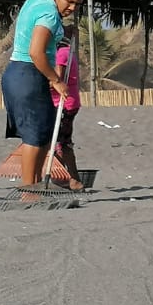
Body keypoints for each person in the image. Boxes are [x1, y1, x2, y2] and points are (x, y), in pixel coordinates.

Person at [0, 0, 86, 189]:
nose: (72, 8)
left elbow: (37, 30)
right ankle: (29, 189)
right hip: (27, 75)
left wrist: (63, 30)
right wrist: (56, 80)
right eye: (69, 2)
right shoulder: (49, 15)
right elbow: (36, 52)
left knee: (45, 133)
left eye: (78, 4)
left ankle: (36, 184)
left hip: (22, 75)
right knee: (34, 137)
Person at [52, 24, 85, 191]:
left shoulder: (62, 53)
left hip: (64, 104)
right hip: (64, 102)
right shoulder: (66, 52)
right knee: (60, 141)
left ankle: (71, 179)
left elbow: (57, 79)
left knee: (61, 143)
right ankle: (66, 178)